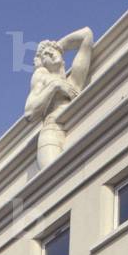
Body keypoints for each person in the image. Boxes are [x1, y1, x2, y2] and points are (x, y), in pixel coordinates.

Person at [24, 27, 94, 168]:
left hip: (78, 125)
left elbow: (87, 35)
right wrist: (54, 86)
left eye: (52, 51)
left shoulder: (73, 82)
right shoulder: (42, 77)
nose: (49, 52)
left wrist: (59, 46)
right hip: (52, 132)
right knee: (54, 180)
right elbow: (29, 113)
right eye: (44, 55)